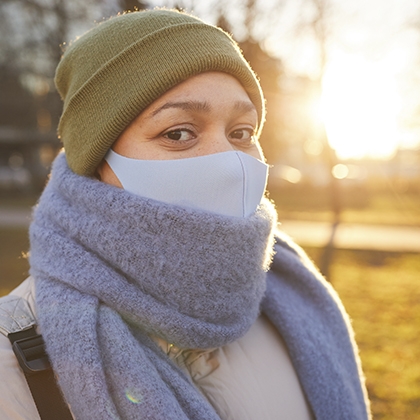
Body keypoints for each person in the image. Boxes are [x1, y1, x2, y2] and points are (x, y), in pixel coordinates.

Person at [0, 9, 371, 420]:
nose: (229, 162)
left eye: (242, 132)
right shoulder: (14, 362)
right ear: (99, 160)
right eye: (178, 133)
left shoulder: (293, 300)